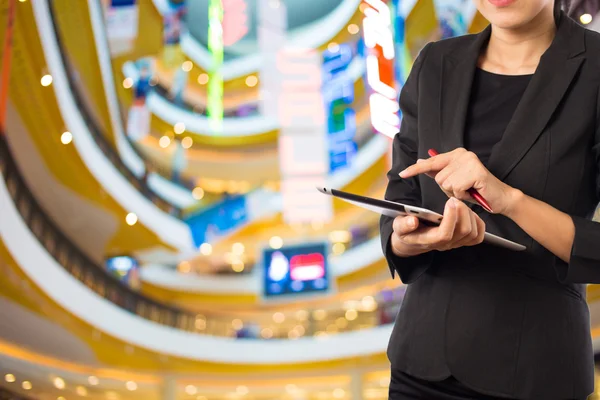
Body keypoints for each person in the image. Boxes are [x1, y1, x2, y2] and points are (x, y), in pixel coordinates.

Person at [380, 0, 600, 399]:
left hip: (536, 371)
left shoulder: (596, 69)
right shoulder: (435, 62)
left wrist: (510, 199)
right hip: (421, 365)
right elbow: (401, 194)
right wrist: (406, 238)